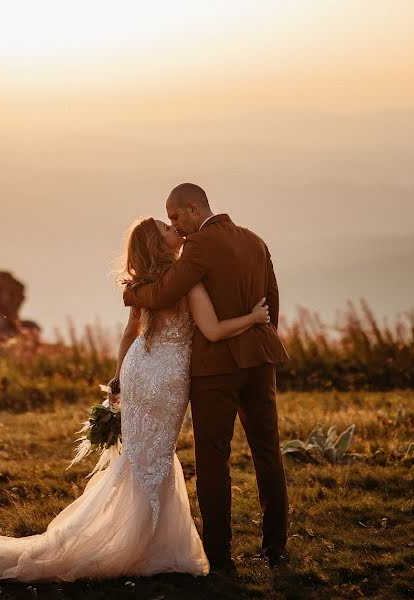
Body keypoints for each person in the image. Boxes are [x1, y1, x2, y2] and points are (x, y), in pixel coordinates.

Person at [0, 216, 271, 582]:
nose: (176, 230)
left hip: (139, 369)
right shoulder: (185, 282)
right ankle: (140, 544)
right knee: (154, 458)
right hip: (167, 377)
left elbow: (128, 334)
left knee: (140, 458)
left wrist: (119, 378)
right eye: (167, 229)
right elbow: (214, 331)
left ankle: (141, 538)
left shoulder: (143, 285)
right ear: (158, 243)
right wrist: (253, 317)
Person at [123, 183, 290, 572]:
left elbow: (166, 291)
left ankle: (219, 554)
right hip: (259, 362)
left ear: (193, 208)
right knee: (268, 452)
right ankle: (276, 548)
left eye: (176, 217)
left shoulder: (200, 246)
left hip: (215, 368)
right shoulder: (255, 241)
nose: (174, 226)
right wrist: (260, 342)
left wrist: (134, 295)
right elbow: (272, 300)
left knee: (214, 459)